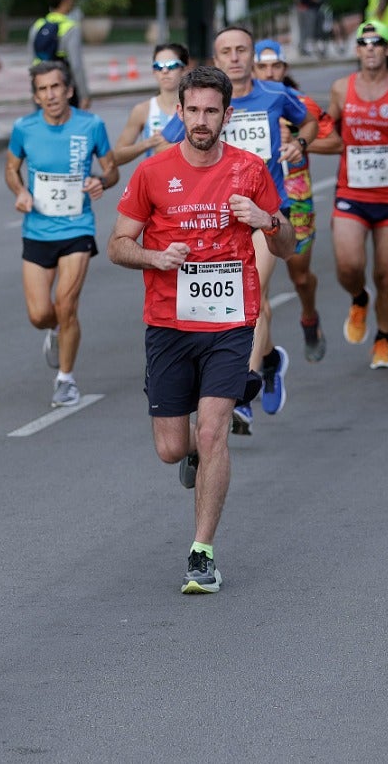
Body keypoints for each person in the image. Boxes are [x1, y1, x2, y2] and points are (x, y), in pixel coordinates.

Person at [108, 65, 297, 594]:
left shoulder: (250, 170)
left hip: (230, 322)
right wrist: (155, 256)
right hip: (168, 322)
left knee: (214, 430)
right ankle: (193, 451)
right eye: (193, 110)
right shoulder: (153, 172)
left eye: (211, 111)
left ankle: (202, 552)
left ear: (227, 115)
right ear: (180, 113)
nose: (201, 120)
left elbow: (289, 245)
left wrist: (267, 221)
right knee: (172, 448)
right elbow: (118, 244)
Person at [159, 27, 314, 430]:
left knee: (254, 293)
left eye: (241, 49)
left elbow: (309, 122)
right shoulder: (204, 103)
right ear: (215, 56)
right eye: (225, 51)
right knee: (232, 304)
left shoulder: (276, 95)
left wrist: (300, 143)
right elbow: (167, 145)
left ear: (252, 54)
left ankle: (239, 390)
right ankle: (266, 362)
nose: (234, 57)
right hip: (214, 217)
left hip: (261, 214)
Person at [313, 21, 388, 369]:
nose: (370, 48)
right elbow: (326, 130)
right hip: (351, 191)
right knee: (349, 266)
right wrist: (301, 141)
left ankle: (383, 338)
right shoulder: (340, 89)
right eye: (363, 43)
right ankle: (358, 297)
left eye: (376, 43)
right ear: (357, 51)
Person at [5, 61, 119, 409]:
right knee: (41, 314)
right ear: (36, 96)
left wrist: (99, 181)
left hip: (77, 228)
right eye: (42, 89)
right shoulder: (24, 128)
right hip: (37, 229)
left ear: (68, 90)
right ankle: (57, 330)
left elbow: (112, 169)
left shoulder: (91, 125)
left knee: (67, 305)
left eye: (56, 87)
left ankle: (66, 380)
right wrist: (21, 192)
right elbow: (12, 168)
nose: (50, 95)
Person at [256, 38, 334, 364]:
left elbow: (338, 142)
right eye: (263, 66)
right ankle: (258, 363)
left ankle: (309, 315)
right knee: (255, 287)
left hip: (296, 196)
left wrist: (300, 142)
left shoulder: (301, 104)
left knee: (299, 275)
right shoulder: (247, 104)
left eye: (276, 66)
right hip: (259, 199)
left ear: (285, 68)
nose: (270, 72)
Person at [112, 43, 188, 166]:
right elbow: (117, 156)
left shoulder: (197, 108)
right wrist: (147, 143)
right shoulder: (143, 110)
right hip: (155, 183)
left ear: (184, 69)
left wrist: (171, 147)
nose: (165, 71)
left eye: (172, 65)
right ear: (154, 72)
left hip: (191, 183)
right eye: (158, 66)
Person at [29, 0, 90, 109]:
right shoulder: (70, 27)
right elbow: (76, 65)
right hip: (63, 88)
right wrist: (84, 94)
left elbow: (32, 59)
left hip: (41, 86)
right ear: (65, 0)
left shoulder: (38, 25)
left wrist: (35, 90)